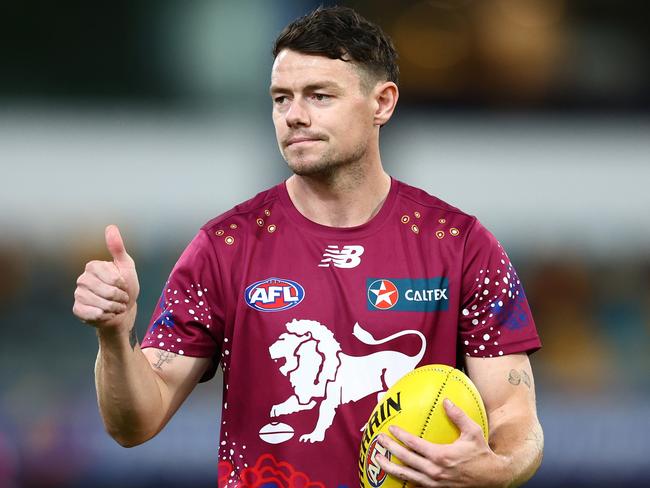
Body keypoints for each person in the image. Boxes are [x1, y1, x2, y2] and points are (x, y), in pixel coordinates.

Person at [72, 6, 543, 487]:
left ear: (382, 103)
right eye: (281, 99)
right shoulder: (225, 247)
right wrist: (113, 335)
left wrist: (495, 468)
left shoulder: (461, 246)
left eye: (319, 96)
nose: (294, 116)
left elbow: (514, 417)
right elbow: (134, 424)